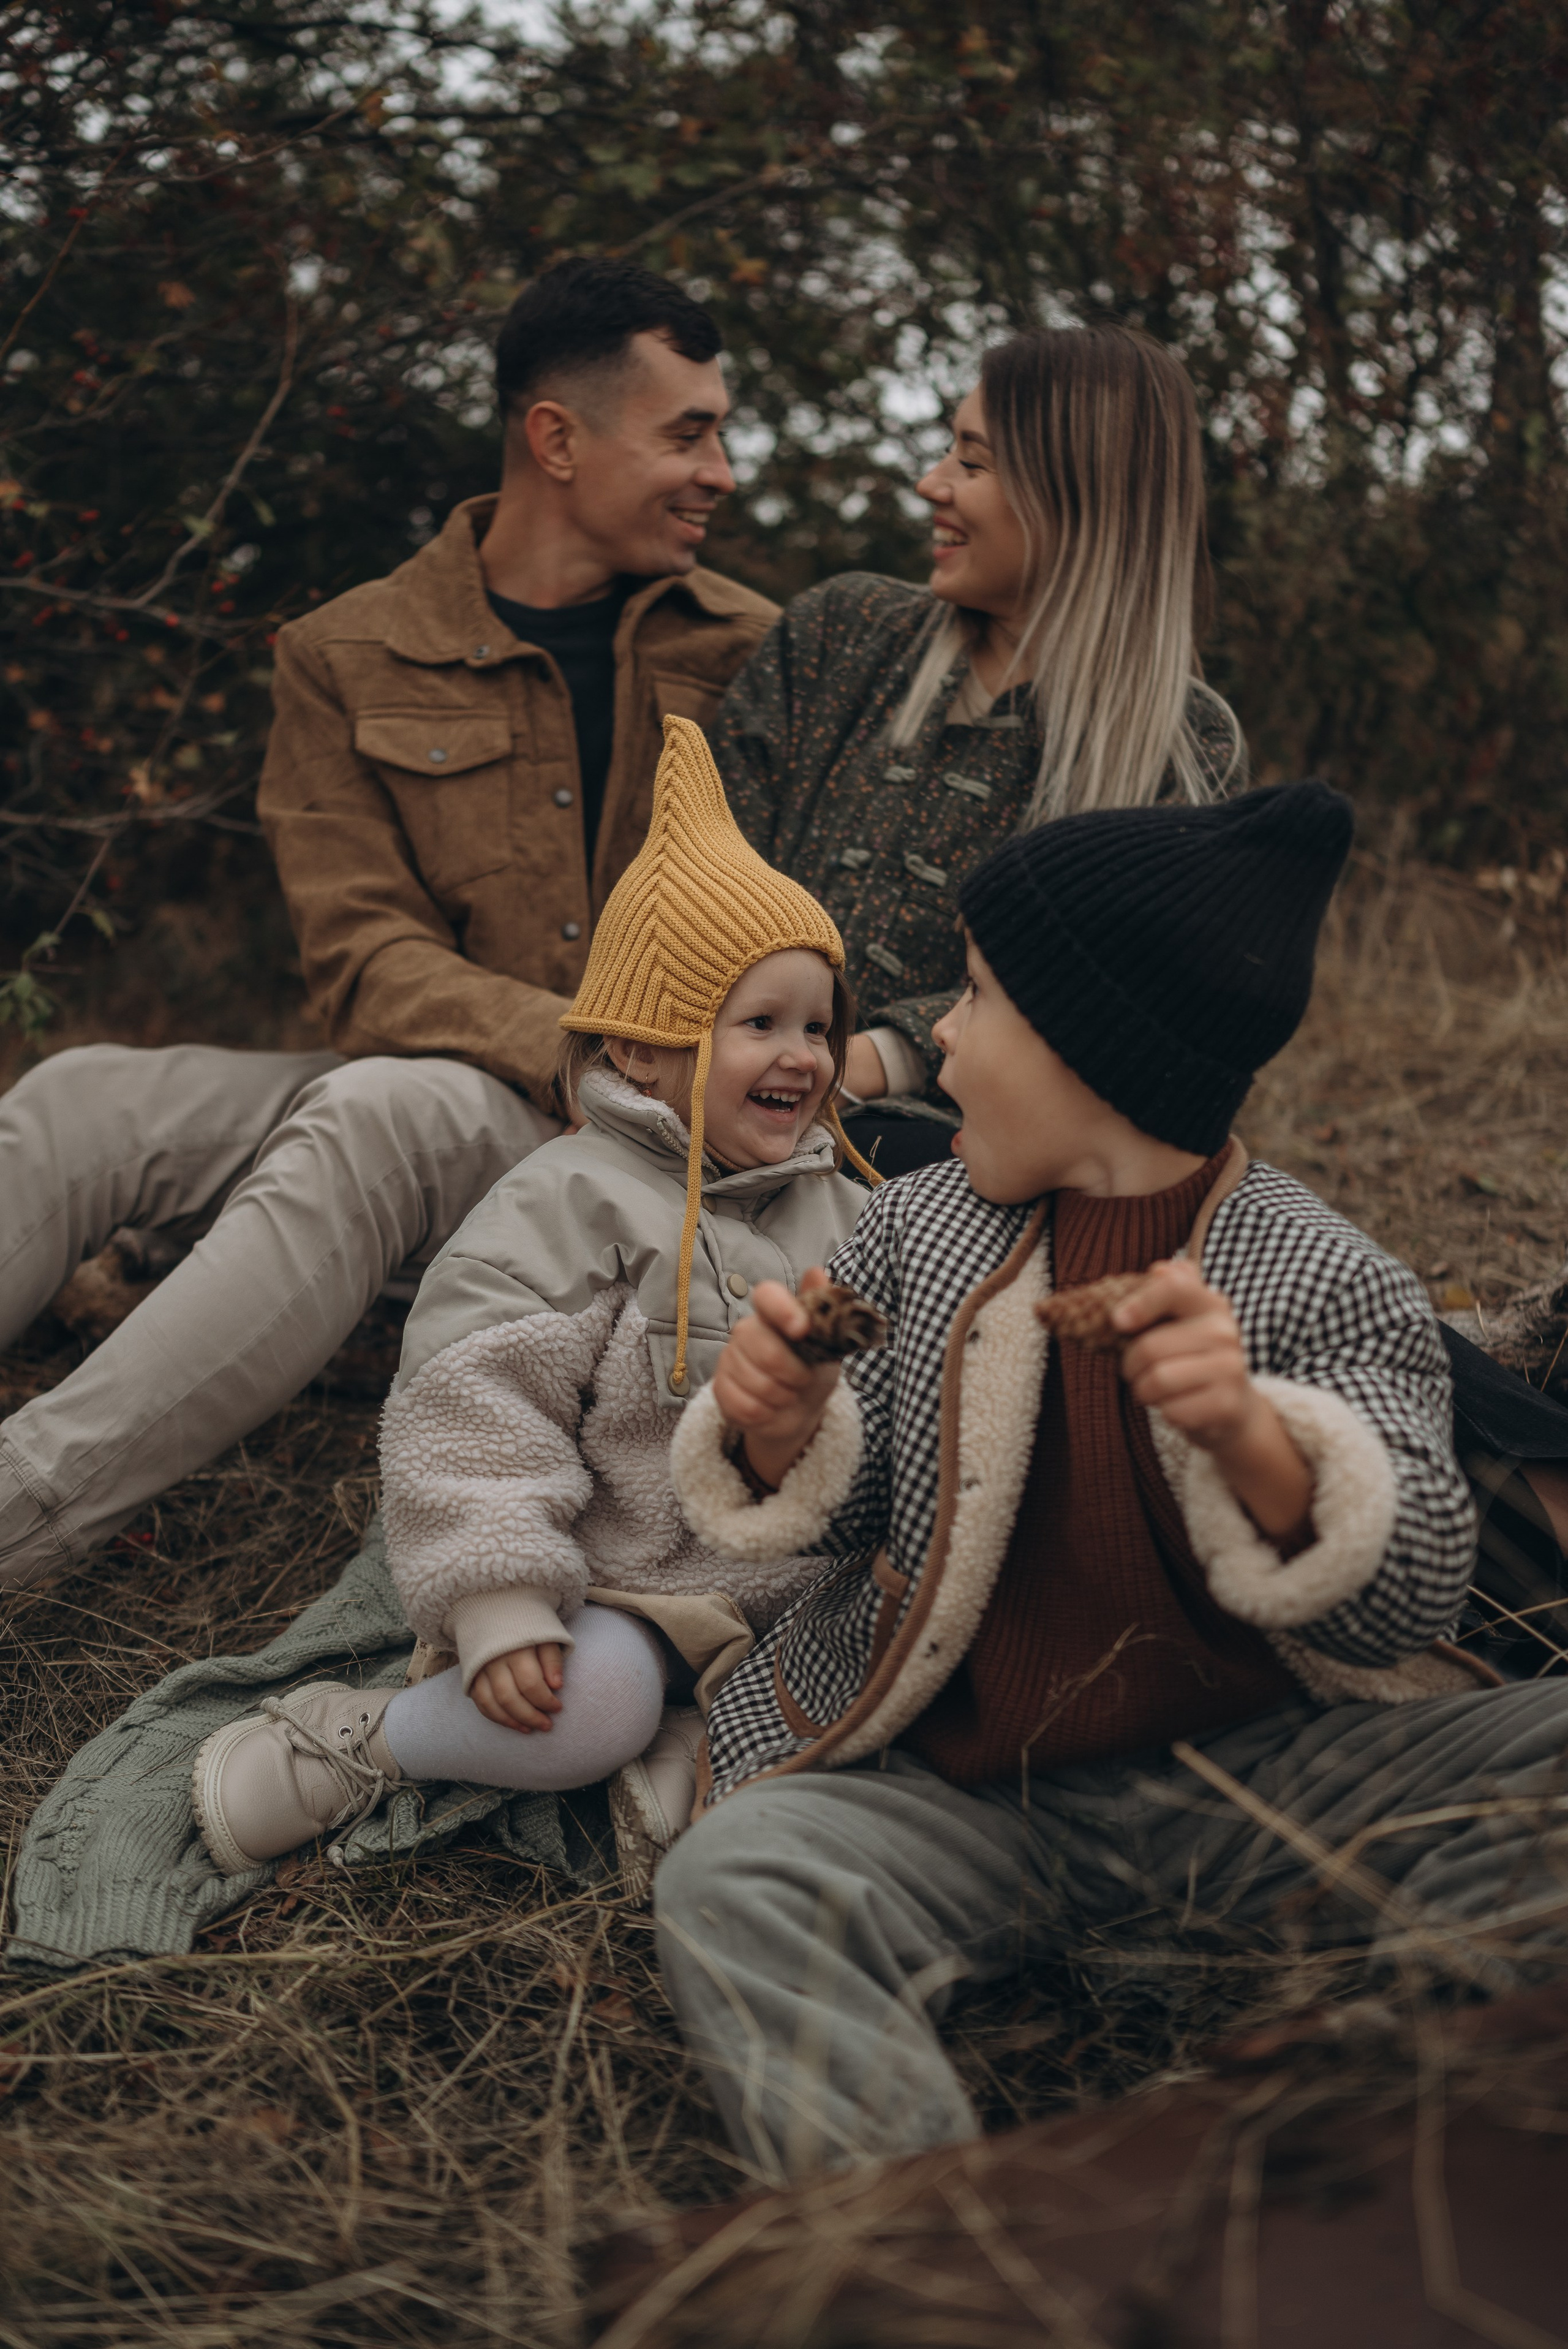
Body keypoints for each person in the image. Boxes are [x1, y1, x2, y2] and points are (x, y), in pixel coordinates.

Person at [655, 782, 1568, 2184]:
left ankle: (1385, 2091)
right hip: (966, 1798)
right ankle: (917, 2243)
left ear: (1093, 1047)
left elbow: (1410, 1584)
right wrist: (776, 1428)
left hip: (1257, 1784)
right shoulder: (917, 1227)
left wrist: (1253, 1442)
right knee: (734, 1879)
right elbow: (852, 1511)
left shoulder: (1318, 1274)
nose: (937, 1035)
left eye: (973, 996)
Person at [0, 259, 775, 1589]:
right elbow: (364, 960)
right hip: (494, 1077)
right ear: (556, 440)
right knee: (80, 1098)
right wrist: (567, 1041)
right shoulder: (347, 654)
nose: (719, 471)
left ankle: (16, 1517)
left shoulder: (757, 654)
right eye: (686, 433)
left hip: (659, 1130)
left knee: (379, 1115)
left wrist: (644, 1062)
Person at [187, 718, 873, 1896]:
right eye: (760, 1023)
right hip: (622, 1579)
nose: (804, 1056)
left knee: (917, 1675)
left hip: (791, 1593)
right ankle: (360, 1743)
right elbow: (470, 1404)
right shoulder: (566, 1202)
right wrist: (502, 1597)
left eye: (819, 1025)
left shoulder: (847, 1205)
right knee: (589, 1703)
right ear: (641, 1047)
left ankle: (699, 1739)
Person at [710, 322, 1246, 1178]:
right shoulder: (840, 635)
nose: (932, 485)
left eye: (971, 461)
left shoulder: (1185, 748)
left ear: (1076, 493)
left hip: (976, 1162)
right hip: (722, 1113)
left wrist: (877, 1059)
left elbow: (1116, 998)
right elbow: (699, 866)